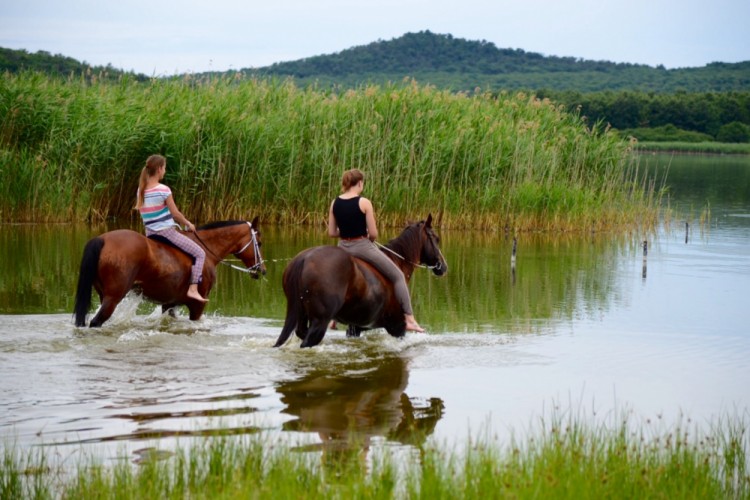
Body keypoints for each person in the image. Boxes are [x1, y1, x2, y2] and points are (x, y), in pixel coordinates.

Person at [328, 168, 424, 332]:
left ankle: (333, 319)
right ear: (359, 183)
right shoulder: (364, 202)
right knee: (398, 276)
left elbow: (331, 233)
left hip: (342, 247)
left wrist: (346, 233)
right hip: (362, 246)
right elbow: (373, 234)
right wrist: (364, 236)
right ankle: (409, 318)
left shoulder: (334, 202)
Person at [135, 154, 208, 303]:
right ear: (160, 169)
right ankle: (193, 289)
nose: (165, 171)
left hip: (149, 234)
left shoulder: (140, 190)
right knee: (200, 254)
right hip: (166, 233)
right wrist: (188, 223)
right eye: (165, 168)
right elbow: (175, 214)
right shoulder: (163, 189)